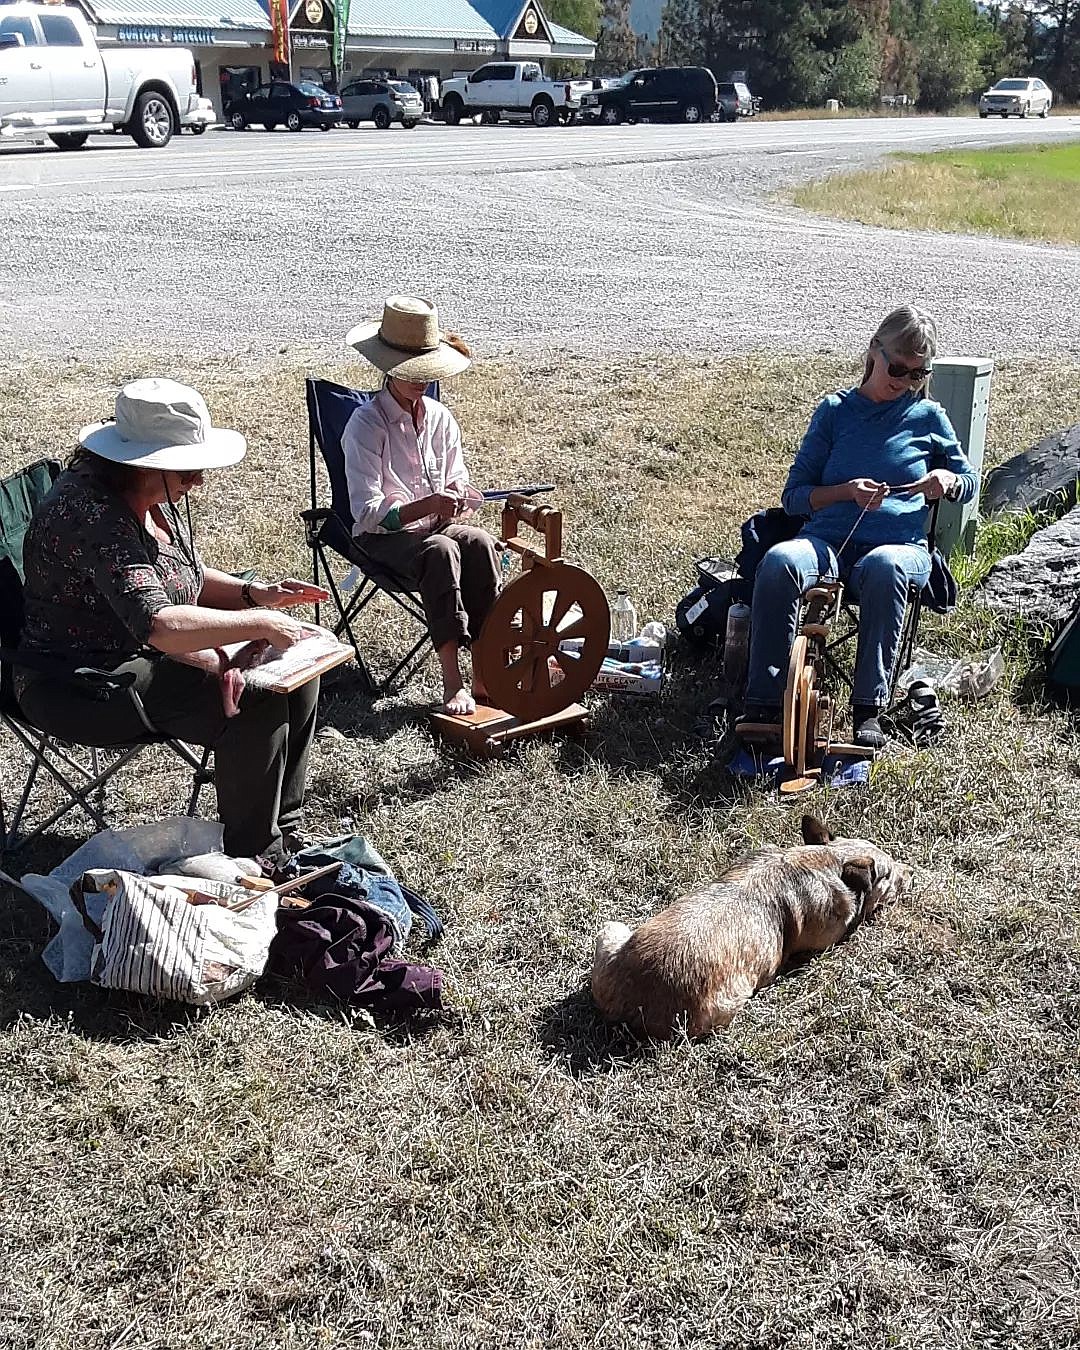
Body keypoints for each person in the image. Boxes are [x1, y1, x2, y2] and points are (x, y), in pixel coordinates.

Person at [15, 378, 329, 861]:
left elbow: (181, 579)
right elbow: (158, 623)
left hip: (138, 652)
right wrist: (258, 624)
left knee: (296, 676)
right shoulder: (91, 513)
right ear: (142, 463)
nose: (197, 480)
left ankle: (281, 825)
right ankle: (257, 856)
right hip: (79, 680)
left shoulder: (148, 499)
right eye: (187, 469)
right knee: (261, 699)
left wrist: (252, 594)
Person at [740, 305, 978, 750]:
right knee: (780, 560)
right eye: (898, 367)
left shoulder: (928, 417)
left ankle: (868, 709)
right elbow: (794, 496)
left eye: (917, 373)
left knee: (886, 566)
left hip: (900, 546)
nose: (905, 380)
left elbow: (969, 483)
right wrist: (846, 491)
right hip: (827, 540)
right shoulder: (835, 411)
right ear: (875, 350)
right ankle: (763, 704)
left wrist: (947, 481)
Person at [342, 295, 501, 717]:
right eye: (411, 374)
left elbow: (457, 478)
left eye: (425, 373)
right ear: (388, 369)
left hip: (435, 526)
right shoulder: (365, 424)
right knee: (442, 551)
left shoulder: (441, 418)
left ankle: (485, 674)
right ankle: (453, 681)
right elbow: (367, 512)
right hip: (384, 539)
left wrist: (456, 499)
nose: (421, 382)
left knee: (480, 543)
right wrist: (422, 506)